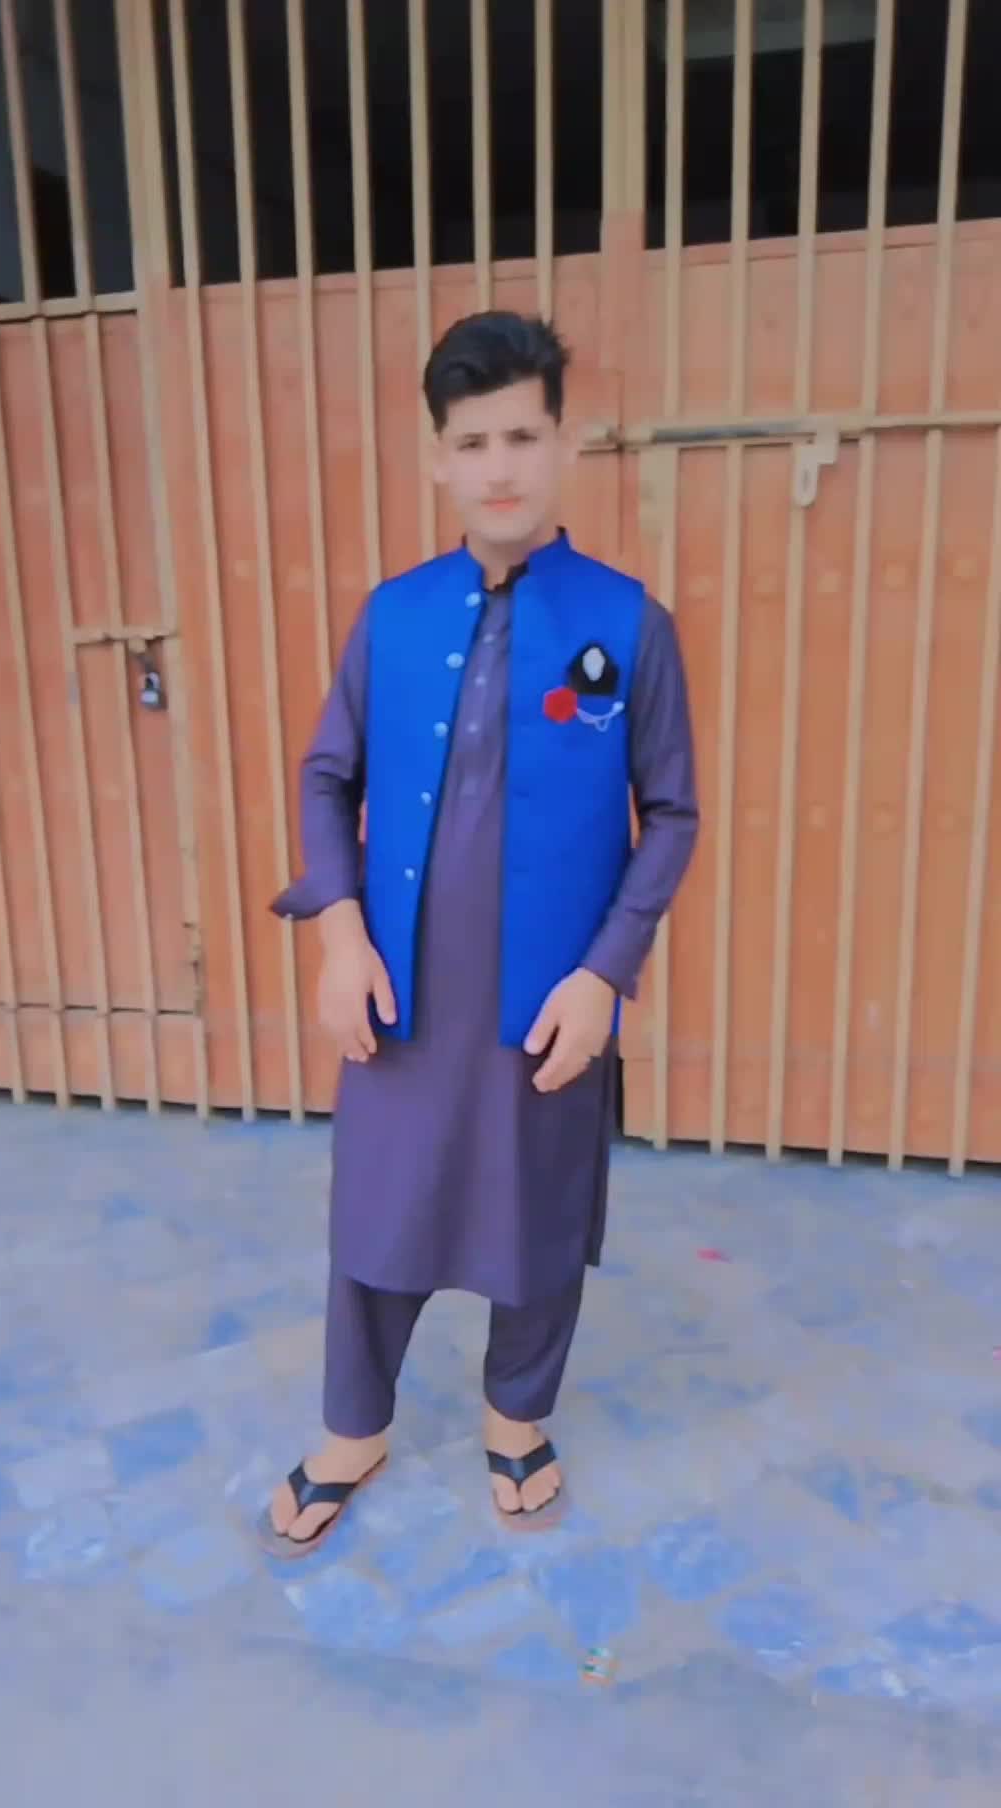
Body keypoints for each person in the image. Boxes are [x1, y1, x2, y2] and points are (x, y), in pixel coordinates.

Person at [260, 310, 698, 1559]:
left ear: (565, 442)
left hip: (546, 995)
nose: (498, 465)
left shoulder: (627, 622)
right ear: (437, 458)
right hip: (402, 987)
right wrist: (341, 937)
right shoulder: (394, 616)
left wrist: (605, 975)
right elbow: (326, 776)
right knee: (379, 1205)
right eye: (472, 441)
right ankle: (354, 1427)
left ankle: (517, 1417)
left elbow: (671, 813)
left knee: (537, 1210)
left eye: (521, 435)